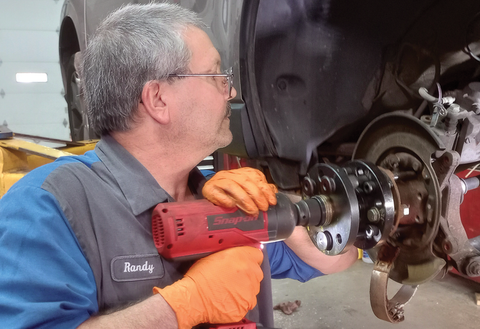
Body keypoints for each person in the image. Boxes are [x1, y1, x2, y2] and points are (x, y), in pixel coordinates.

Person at [0, 3, 357, 328]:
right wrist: (187, 303)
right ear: (158, 99)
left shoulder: (221, 198)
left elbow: (333, 260)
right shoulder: (48, 206)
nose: (230, 92)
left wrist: (284, 212)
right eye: (216, 75)